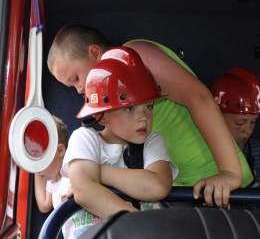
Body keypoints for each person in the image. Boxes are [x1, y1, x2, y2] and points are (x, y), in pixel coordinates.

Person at [47, 24, 253, 208]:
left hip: (227, 186)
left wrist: (230, 174)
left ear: (94, 53)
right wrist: (89, 181)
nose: (79, 89)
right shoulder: (114, 123)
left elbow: (198, 98)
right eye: (71, 85)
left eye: (75, 78)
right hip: (189, 192)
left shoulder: (135, 55)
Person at [60, 47, 178, 223]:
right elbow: (85, 192)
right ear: (101, 116)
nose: (143, 118)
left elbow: (158, 186)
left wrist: (97, 173)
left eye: (148, 106)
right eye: (129, 109)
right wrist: (139, 222)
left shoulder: (152, 141)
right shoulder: (85, 138)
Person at [34, 115, 90, 239]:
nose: (36, 169)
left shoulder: (73, 169)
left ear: (60, 151)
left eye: (40, 158)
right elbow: (44, 205)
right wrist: (35, 166)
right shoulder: (52, 180)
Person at [211, 67, 260, 189]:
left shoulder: (257, 151)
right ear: (217, 119)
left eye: (253, 121)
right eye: (240, 123)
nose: (248, 130)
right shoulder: (203, 153)